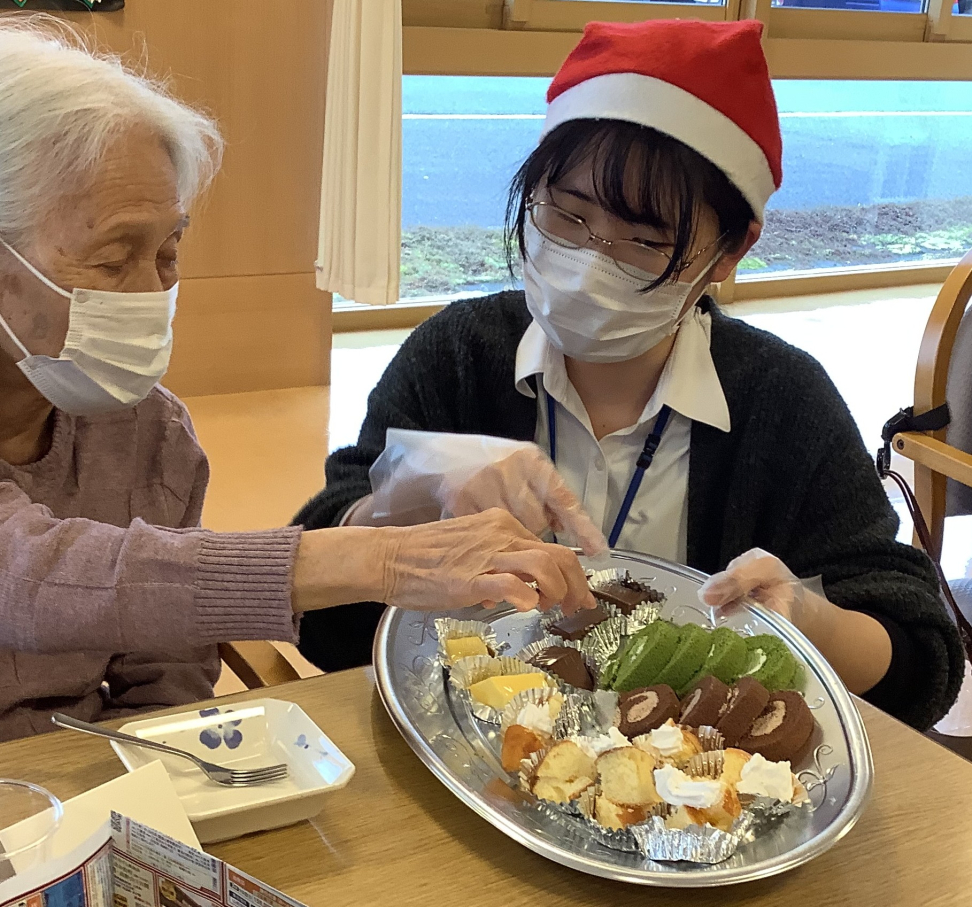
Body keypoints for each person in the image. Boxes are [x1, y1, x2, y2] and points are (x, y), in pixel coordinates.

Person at [0, 19, 595, 804]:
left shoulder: (150, 435)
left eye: (168, 253)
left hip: (50, 821)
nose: (153, 293)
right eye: (114, 256)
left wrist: (129, 826)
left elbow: (164, 682)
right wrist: (379, 556)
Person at [296, 19, 963, 730]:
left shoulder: (783, 402)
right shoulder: (457, 356)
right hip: (463, 753)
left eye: (644, 241)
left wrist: (805, 620)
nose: (590, 264)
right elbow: (321, 622)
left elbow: (923, 664)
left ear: (730, 252)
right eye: (566, 215)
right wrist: (409, 498)